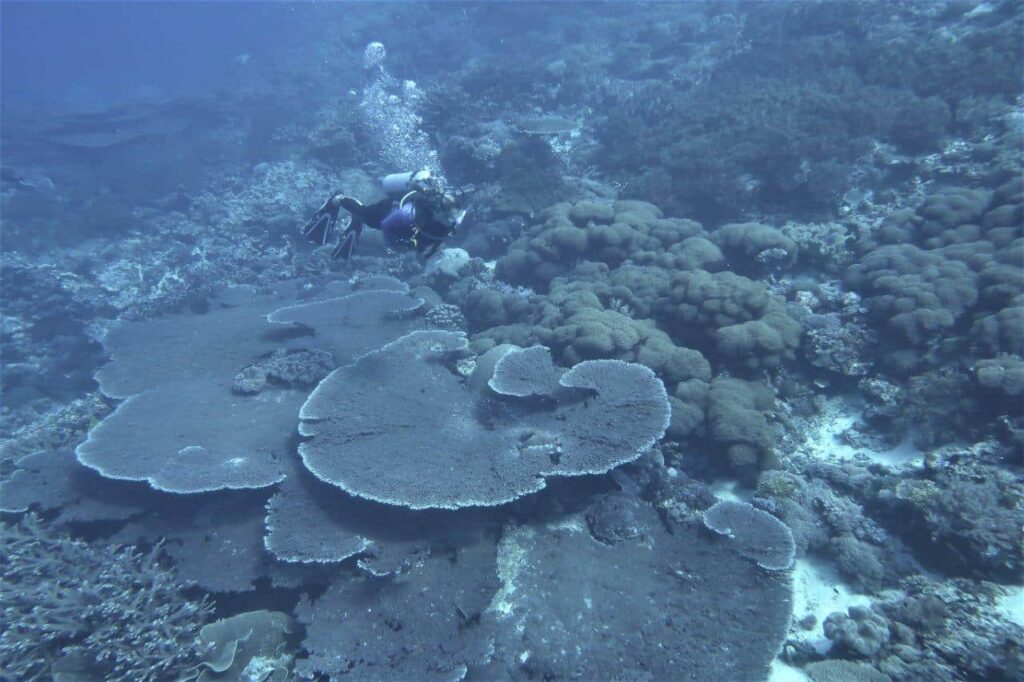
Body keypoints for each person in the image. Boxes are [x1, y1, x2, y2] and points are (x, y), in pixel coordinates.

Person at [302, 169, 468, 260]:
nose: (451, 222)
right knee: (368, 217)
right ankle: (338, 199)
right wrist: (398, 245)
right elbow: (387, 226)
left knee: (367, 220)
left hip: (405, 224)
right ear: (438, 211)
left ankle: (354, 222)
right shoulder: (414, 212)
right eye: (447, 218)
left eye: (452, 219)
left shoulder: (449, 221)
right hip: (389, 211)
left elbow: (429, 243)